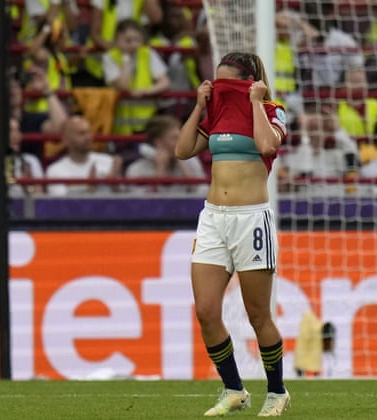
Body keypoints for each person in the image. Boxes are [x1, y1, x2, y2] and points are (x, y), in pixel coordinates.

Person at [175, 52, 290, 417]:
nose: (220, 88)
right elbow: (182, 150)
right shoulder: (217, 113)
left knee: (259, 315)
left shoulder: (272, 111)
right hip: (213, 218)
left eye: (227, 82)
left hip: (251, 219)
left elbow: (268, 146)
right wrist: (199, 106)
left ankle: (277, 392)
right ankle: (234, 388)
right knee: (206, 310)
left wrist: (256, 101)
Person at [125, 114, 207, 195]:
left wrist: (183, 165)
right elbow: (138, 203)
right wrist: (160, 171)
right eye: (174, 138)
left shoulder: (190, 161)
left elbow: (203, 193)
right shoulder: (136, 168)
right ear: (158, 142)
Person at [45, 115, 122, 196]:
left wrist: (114, 186)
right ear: (66, 140)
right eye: (81, 133)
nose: (88, 137)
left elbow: (125, 201)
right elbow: (61, 205)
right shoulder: (55, 171)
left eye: (89, 132)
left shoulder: (108, 162)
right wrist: (89, 189)